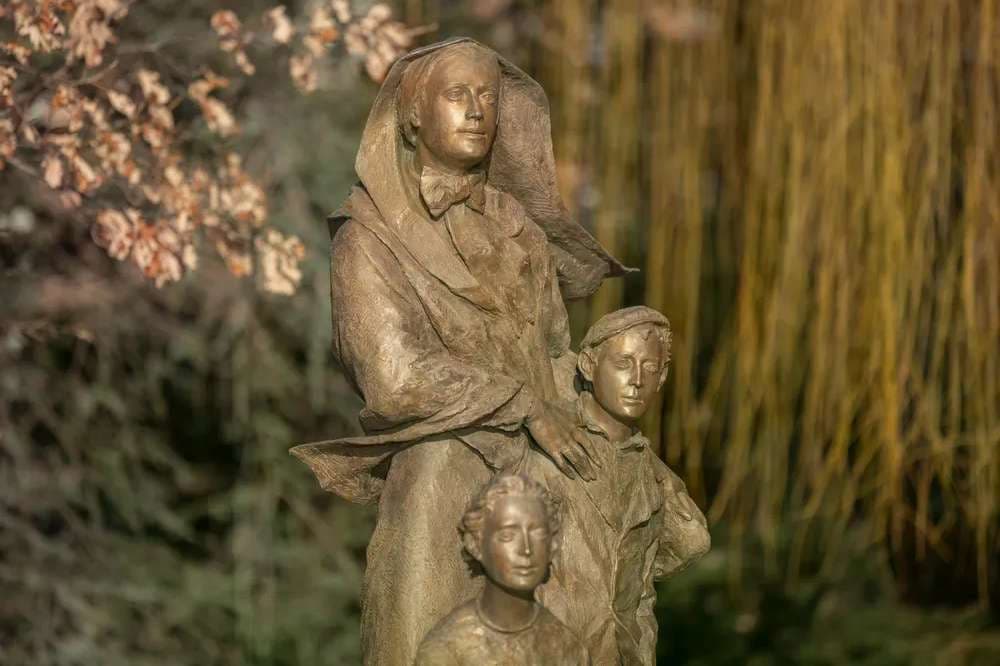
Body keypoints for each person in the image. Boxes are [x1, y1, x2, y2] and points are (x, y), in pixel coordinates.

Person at [290, 38, 627, 665]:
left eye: (487, 98)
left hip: (543, 478)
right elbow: (393, 376)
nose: (477, 110)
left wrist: (590, 432)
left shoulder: (517, 226)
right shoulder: (367, 240)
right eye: (457, 95)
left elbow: (555, 349)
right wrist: (522, 404)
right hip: (444, 478)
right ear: (413, 114)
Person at [528, 306, 711, 665]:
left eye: (651, 368)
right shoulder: (550, 449)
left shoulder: (652, 475)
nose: (637, 380)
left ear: (662, 378)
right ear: (587, 366)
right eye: (624, 364)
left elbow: (680, 552)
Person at [415, 473, 589, 665]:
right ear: (476, 545)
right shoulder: (446, 651)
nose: (526, 549)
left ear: (552, 545)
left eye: (537, 534)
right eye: (507, 536)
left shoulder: (568, 649)